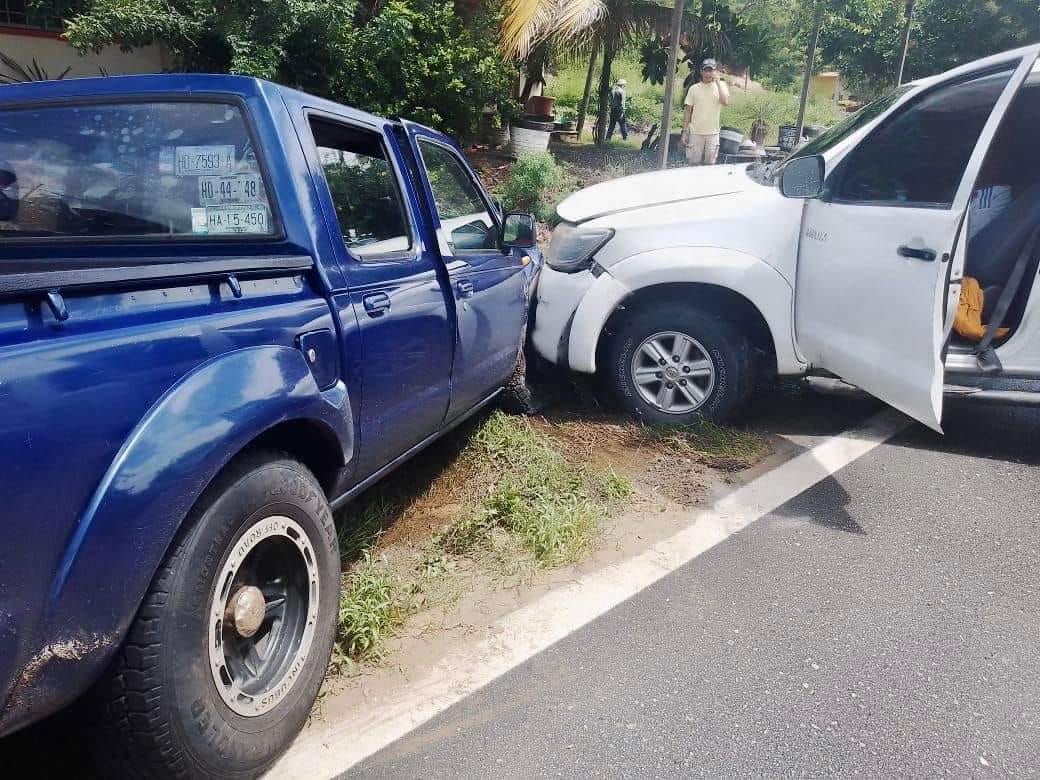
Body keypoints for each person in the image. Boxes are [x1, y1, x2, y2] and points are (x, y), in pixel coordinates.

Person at [682, 59, 730, 165]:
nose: (708, 73)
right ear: (701, 71)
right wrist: (685, 132)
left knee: (710, 165)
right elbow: (688, 112)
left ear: (715, 72)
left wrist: (717, 83)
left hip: (713, 133)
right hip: (695, 133)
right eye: (706, 70)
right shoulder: (694, 89)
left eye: (711, 70)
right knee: (693, 164)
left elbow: (725, 102)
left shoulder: (721, 86)